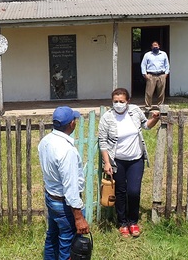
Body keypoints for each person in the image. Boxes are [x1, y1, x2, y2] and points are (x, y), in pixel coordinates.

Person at [98, 88, 159, 237]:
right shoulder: (107, 117)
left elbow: (146, 125)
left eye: (121, 101)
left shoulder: (134, 111)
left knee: (134, 191)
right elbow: (103, 142)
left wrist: (155, 118)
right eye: (115, 101)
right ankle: (122, 222)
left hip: (136, 159)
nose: (118, 104)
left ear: (128, 101)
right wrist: (107, 163)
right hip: (117, 160)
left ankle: (133, 221)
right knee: (120, 191)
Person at [38, 106, 90, 260]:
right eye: (75, 120)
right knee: (68, 245)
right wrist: (79, 218)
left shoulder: (45, 141)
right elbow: (71, 187)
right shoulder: (67, 151)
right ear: (71, 124)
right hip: (64, 204)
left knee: (52, 237)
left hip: (51, 197)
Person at [140, 41, 170, 110]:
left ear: (159, 46)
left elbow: (167, 64)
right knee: (149, 92)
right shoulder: (147, 55)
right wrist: (145, 74)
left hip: (161, 75)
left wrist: (166, 73)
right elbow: (143, 64)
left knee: (161, 92)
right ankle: (148, 106)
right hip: (151, 75)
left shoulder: (163, 54)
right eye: (154, 47)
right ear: (151, 47)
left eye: (156, 47)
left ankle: (160, 106)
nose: (155, 48)